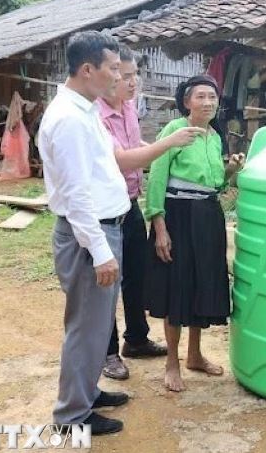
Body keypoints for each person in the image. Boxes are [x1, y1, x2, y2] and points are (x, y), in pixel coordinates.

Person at [38, 31, 130, 435]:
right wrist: (100, 251)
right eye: (112, 68)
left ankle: (86, 391)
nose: (117, 75)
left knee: (97, 323)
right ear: (88, 69)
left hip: (104, 230)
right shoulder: (69, 119)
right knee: (86, 326)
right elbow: (76, 195)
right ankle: (71, 415)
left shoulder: (86, 109)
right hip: (89, 238)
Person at [96, 45, 202, 380]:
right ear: (108, 76)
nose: (132, 81)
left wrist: (167, 156)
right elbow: (122, 159)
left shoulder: (127, 108)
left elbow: (137, 147)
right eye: (124, 75)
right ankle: (108, 352)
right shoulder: (97, 116)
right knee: (108, 283)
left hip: (128, 204)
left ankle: (137, 339)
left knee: (137, 276)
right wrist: (168, 144)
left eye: (134, 74)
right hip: (102, 209)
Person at [144, 75, 245, 392]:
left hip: (207, 215)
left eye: (212, 97)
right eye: (200, 96)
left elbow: (217, 186)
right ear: (186, 102)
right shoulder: (174, 131)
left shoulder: (215, 137)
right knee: (177, 286)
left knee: (203, 283)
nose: (208, 102)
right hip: (178, 215)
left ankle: (195, 355)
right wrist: (159, 225)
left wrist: (231, 170)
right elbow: (157, 177)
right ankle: (171, 362)